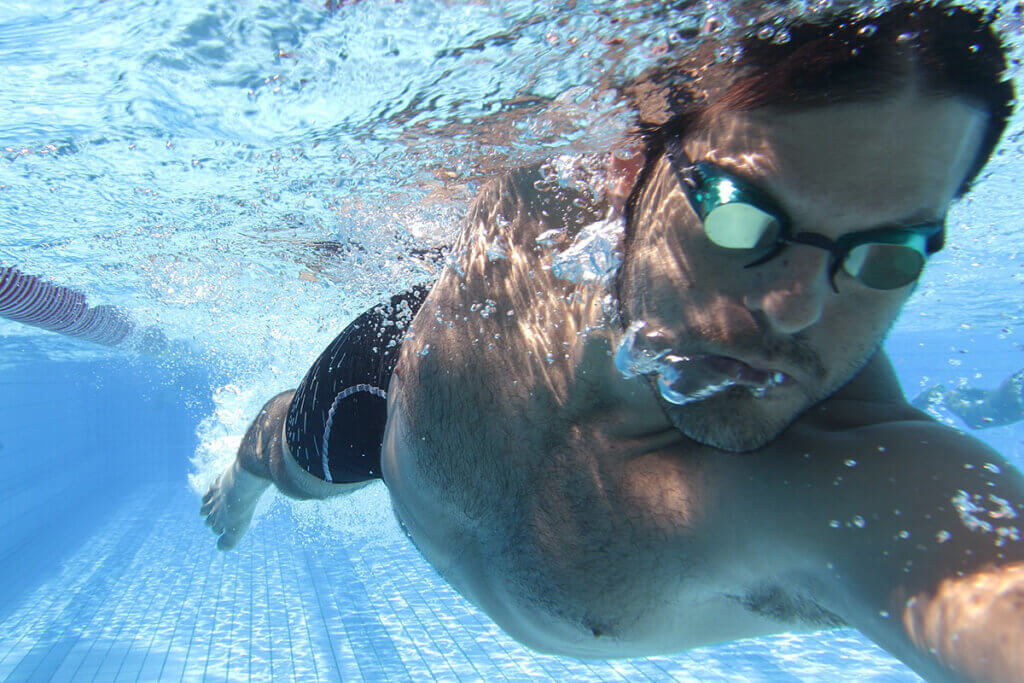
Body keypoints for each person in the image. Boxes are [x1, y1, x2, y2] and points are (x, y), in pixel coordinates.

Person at [202, 3, 1024, 680]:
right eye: (744, 218)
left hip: (430, 433)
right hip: (390, 385)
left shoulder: (852, 483)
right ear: (632, 158)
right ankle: (235, 489)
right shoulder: (554, 168)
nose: (796, 308)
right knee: (279, 462)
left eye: (888, 254)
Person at [913, 370, 1024, 429]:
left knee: (978, 400)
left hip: (1003, 403)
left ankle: (943, 395)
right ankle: (940, 395)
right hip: (1005, 405)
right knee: (973, 411)